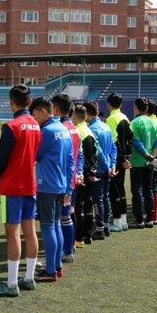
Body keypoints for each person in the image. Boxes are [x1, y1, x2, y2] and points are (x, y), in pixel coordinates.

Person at [0, 85, 41, 297]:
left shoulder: (12, 126)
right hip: (30, 184)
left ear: (12, 102)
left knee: (12, 234)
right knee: (29, 231)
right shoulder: (37, 126)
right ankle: (28, 277)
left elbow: (0, 158)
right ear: (30, 102)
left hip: (12, 186)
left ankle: (12, 283)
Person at [31, 97, 73, 283]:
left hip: (47, 184)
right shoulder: (63, 129)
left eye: (34, 115)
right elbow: (71, 160)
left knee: (48, 227)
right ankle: (56, 267)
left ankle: (50, 270)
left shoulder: (47, 131)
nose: (34, 119)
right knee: (55, 226)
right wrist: (68, 189)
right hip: (60, 184)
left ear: (43, 111)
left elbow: (36, 155)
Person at [50, 94, 80, 262]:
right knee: (66, 215)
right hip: (71, 178)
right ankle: (69, 248)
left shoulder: (60, 129)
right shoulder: (74, 128)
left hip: (60, 180)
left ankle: (66, 251)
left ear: (56, 109)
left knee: (61, 218)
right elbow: (78, 155)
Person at [130, 97, 157, 229]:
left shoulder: (134, 123)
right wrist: (152, 158)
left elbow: (136, 142)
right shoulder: (153, 122)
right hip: (149, 163)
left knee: (137, 191)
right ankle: (149, 218)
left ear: (136, 108)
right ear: (147, 108)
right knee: (148, 190)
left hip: (138, 162)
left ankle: (139, 220)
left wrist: (148, 157)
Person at [86, 101, 116, 239]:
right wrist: (112, 165)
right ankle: (106, 226)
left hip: (99, 168)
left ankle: (100, 229)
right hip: (108, 167)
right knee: (105, 197)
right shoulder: (106, 126)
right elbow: (113, 148)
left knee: (98, 199)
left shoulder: (91, 129)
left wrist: (106, 165)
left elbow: (98, 151)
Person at [106, 93, 133, 232]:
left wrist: (122, 159)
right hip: (124, 158)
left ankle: (117, 221)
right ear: (121, 104)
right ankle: (123, 221)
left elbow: (114, 142)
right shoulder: (125, 118)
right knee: (121, 188)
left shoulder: (111, 119)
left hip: (116, 159)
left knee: (114, 190)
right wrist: (127, 157)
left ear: (108, 104)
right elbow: (130, 140)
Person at [73, 105, 98, 247]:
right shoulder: (89, 130)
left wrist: (82, 172)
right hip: (90, 173)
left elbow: (79, 155)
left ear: (75, 116)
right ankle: (88, 235)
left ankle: (79, 238)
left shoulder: (77, 131)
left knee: (79, 207)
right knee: (88, 205)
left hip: (82, 174)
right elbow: (96, 153)